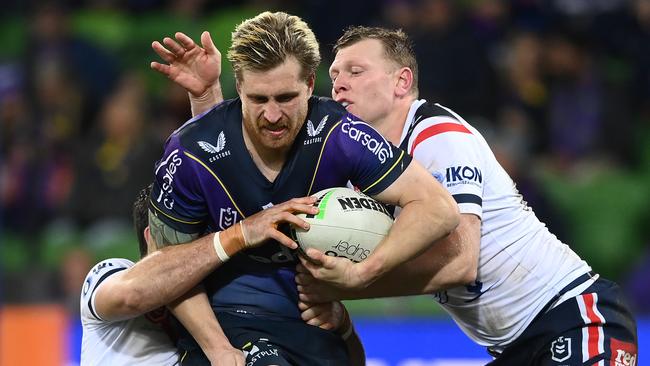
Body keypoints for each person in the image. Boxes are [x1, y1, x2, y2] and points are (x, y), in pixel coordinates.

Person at [160, 25, 638, 365]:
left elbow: (461, 262)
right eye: (335, 72)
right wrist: (206, 100)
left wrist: (353, 281)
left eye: (356, 70)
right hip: (510, 347)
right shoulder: (358, 170)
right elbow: (232, 177)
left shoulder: (437, 134)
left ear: (401, 82)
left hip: (574, 315)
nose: (339, 82)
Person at [147, 11, 459, 365]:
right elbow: (166, 270)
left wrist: (362, 274)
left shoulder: (339, 134)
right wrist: (217, 348)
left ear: (311, 83)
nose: (273, 115)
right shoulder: (191, 150)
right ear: (239, 86)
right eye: (258, 100)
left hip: (311, 320)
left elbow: (438, 209)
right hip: (224, 322)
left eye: (286, 97)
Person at [80, 185, 244, 365]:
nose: (197, 240)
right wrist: (234, 237)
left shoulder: (212, 296)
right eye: (185, 231)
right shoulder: (113, 272)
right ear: (152, 236)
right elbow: (130, 296)